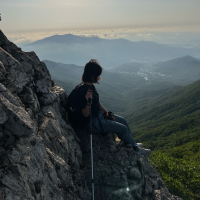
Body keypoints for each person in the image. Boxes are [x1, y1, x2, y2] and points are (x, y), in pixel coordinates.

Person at [77, 59, 151, 156]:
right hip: (94, 123)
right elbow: (86, 114)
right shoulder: (83, 91)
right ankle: (136, 150)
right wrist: (87, 101)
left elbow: (96, 103)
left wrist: (107, 113)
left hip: (99, 118)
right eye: (98, 75)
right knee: (123, 129)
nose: (99, 77)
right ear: (92, 75)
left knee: (123, 120)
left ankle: (131, 142)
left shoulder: (89, 86)